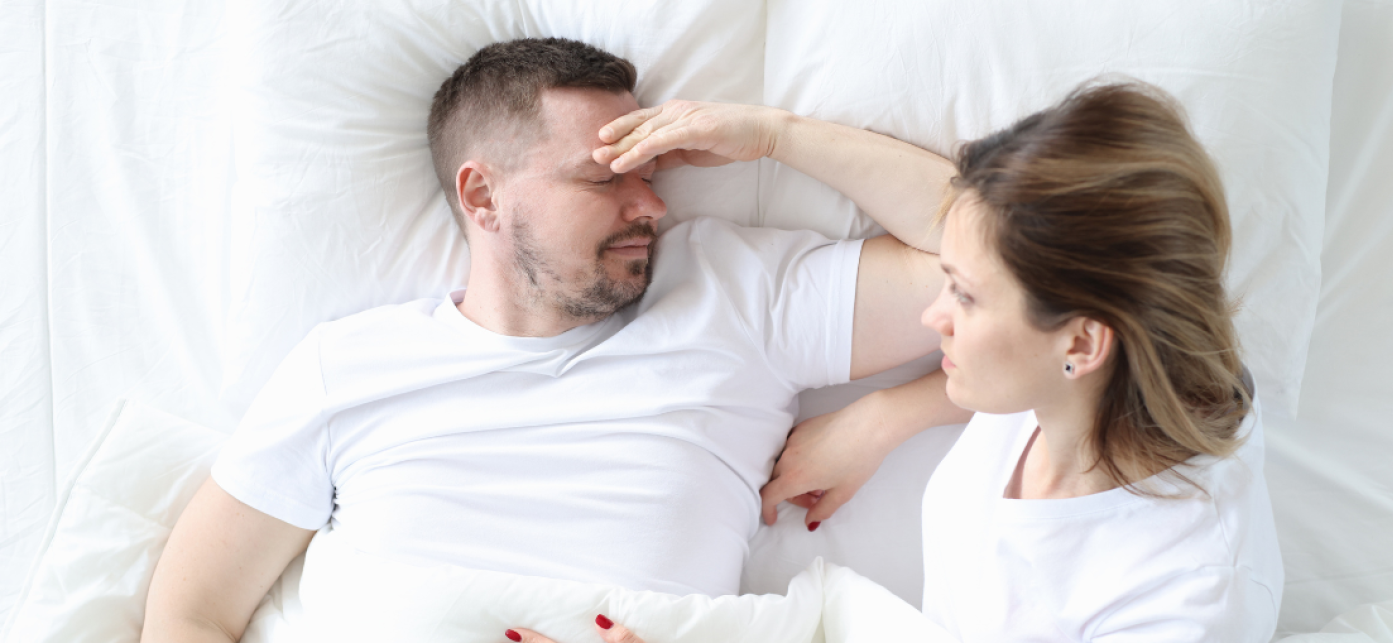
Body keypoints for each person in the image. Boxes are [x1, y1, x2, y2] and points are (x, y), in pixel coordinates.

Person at [140, 37, 954, 642]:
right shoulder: (347, 367)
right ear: (482, 196)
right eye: (604, 179)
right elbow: (190, 613)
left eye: (651, 174)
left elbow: (993, 259)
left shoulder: (733, 295)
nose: (651, 205)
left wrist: (778, 136)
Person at [512, 83, 1284, 643]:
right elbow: (968, 224)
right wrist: (773, 134)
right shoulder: (1105, 375)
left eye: (965, 297)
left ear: (1081, 343)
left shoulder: (1182, 599)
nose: (932, 314)